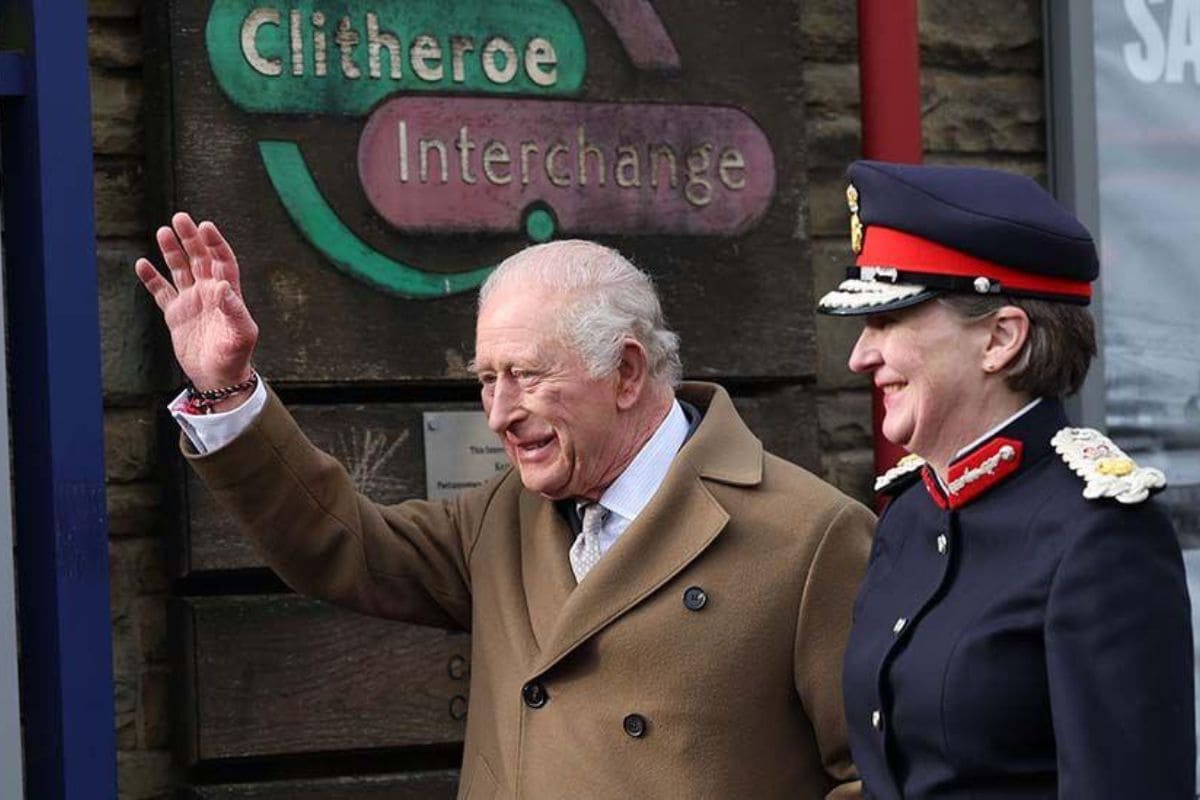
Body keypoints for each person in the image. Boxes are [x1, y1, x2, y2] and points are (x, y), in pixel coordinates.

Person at [135, 217, 875, 798]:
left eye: (524, 375)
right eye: (486, 379)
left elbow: (872, 778)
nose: (498, 413)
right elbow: (342, 546)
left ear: (625, 371)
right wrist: (230, 395)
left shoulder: (809, 536)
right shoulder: (504, 516)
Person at [818, 160, 1195, 799]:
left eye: (887, 321)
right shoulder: (911, 511)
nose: (861, 356)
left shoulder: (1100, 535)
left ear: (1000, 338)